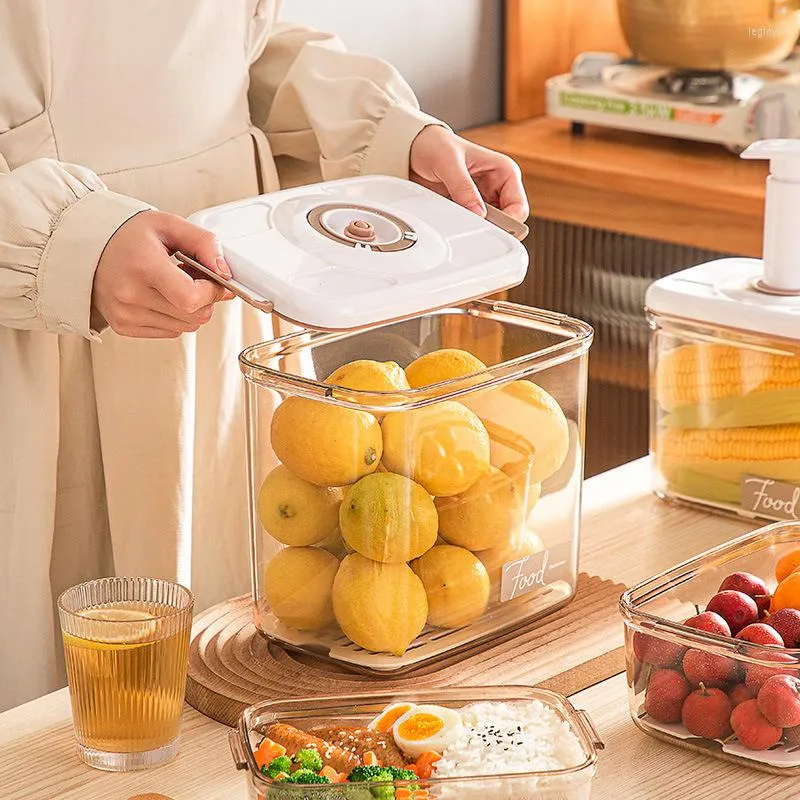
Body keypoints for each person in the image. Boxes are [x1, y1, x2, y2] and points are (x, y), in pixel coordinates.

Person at [0, 1, 528, 711]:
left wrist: (394, 138)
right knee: (54, 714)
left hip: (221, 299)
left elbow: (238, 50)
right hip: (32, 326)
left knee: (237, 665)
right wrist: (64, 247)